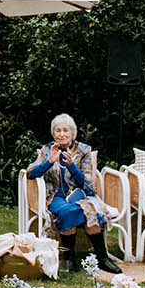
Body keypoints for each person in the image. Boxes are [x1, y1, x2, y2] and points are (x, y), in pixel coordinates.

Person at [26, 114, 119, 274]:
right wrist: (49, 162)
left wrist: (71, 166)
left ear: (72, 133)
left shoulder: (83, 150)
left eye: (65, 130)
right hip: (56, 197)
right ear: (53, 133)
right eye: (58, 130)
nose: (62, 134)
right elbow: (30, 173)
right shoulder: (47, 150)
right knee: (71, 211)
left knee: (90, 209)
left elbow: (88, 185)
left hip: (81, 195)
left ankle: (102, 258)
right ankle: (70, 258)